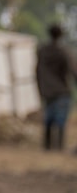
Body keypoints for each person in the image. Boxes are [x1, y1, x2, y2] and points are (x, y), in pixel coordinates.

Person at [35, 23, 76, 151]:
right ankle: (59, 147)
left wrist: (40, 88)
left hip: (47, 91)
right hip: (61, 91)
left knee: (48, 120)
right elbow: (73, 70)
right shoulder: (63, 52)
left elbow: (37, 71)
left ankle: (47, 147)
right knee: (60, 121)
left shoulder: (42, 51)